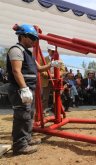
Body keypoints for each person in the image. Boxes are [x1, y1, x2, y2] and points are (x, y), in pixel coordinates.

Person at [7, 24, 62, 155]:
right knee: (22, 117)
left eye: (35, 38)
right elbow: (16, 71)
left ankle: (26, 139)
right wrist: (24, 88)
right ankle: (20, 146)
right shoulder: (16, 50)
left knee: (29, 116)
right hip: (20, 89)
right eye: (31, 37)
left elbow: (39, 69)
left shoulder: (29, 53)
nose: (34, 40)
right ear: (22, 36)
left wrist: (51, 64)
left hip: (28, 88)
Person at [40, 44, 66, 112]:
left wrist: (55, 75)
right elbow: (41, 70)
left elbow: (63, 70)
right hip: (46, 81)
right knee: (45, 98)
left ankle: (57, 110)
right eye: (53, 51)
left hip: (56, 81)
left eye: (55, 51)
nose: (54, 52)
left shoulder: (59, 60)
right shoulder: (43, 59)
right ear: (48, 51)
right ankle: (44, 111)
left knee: (57, 97)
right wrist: (49, 75)